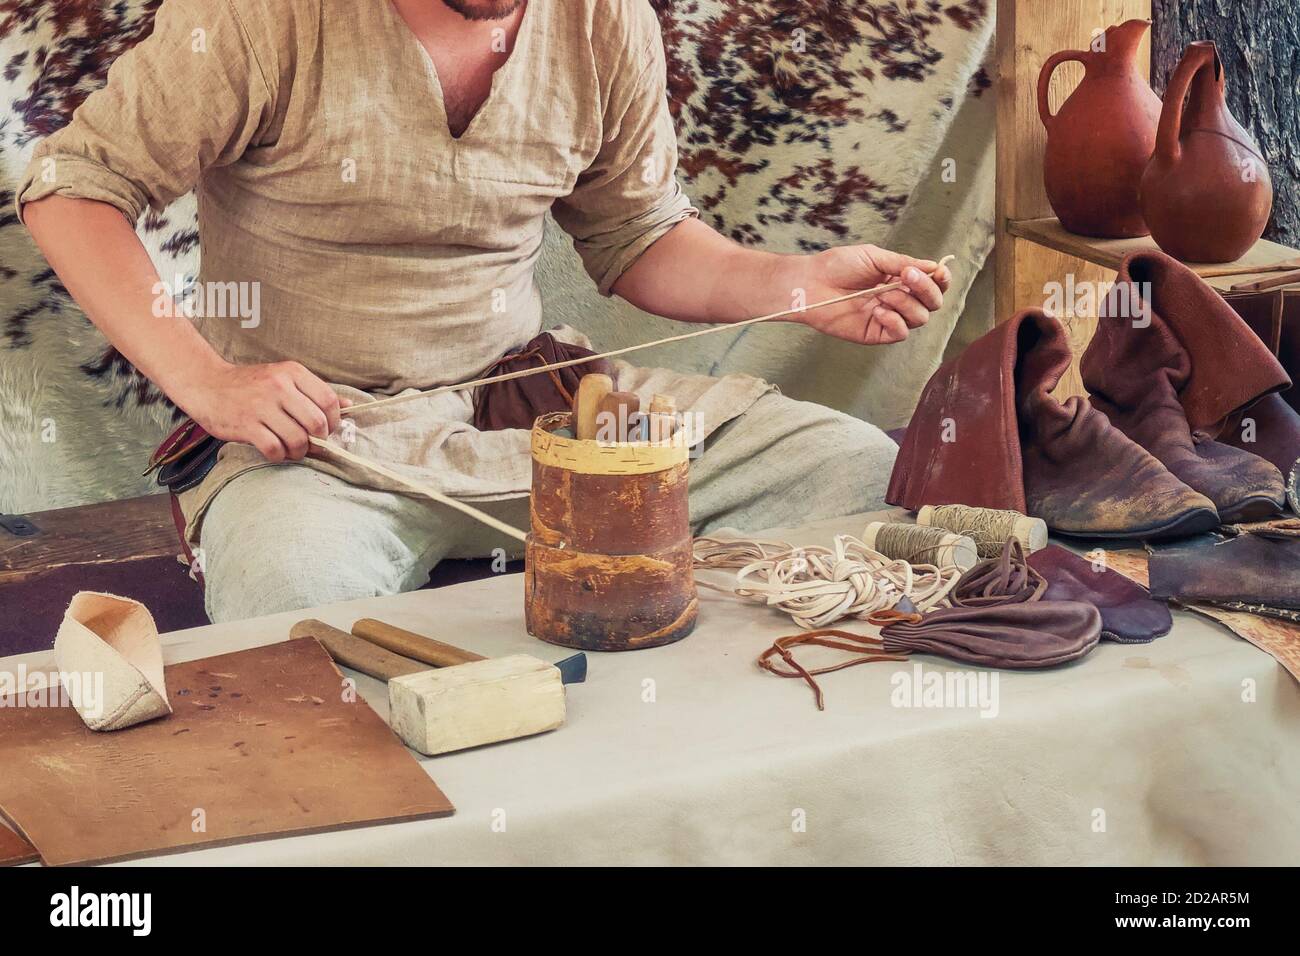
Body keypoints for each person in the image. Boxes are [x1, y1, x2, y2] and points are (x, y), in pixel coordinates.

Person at [18, 0, 950, 622]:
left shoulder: (601, 18)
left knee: (859, 478)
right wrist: (207, 380)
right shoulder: (261, 13)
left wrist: (797, 286)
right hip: (324, 448)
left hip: (533, 410)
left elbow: (637, 236)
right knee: (290, 603)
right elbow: (71, 186)